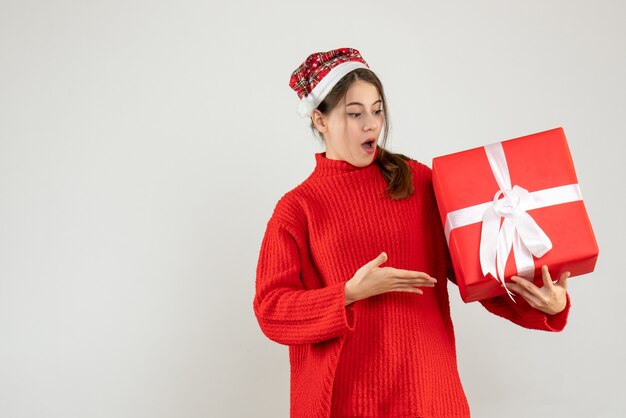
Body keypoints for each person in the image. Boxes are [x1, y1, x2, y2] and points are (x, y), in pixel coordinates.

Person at [253, 47, 571, 418]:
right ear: (319, 120)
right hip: (345, 402)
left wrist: (546, 306)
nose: (371, 124)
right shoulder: (298, 208)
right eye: (354, 114)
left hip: (429, 395)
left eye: (377, 110)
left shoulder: (419, 183)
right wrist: (349, 293)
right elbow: (271, 310)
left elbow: (482, 274)